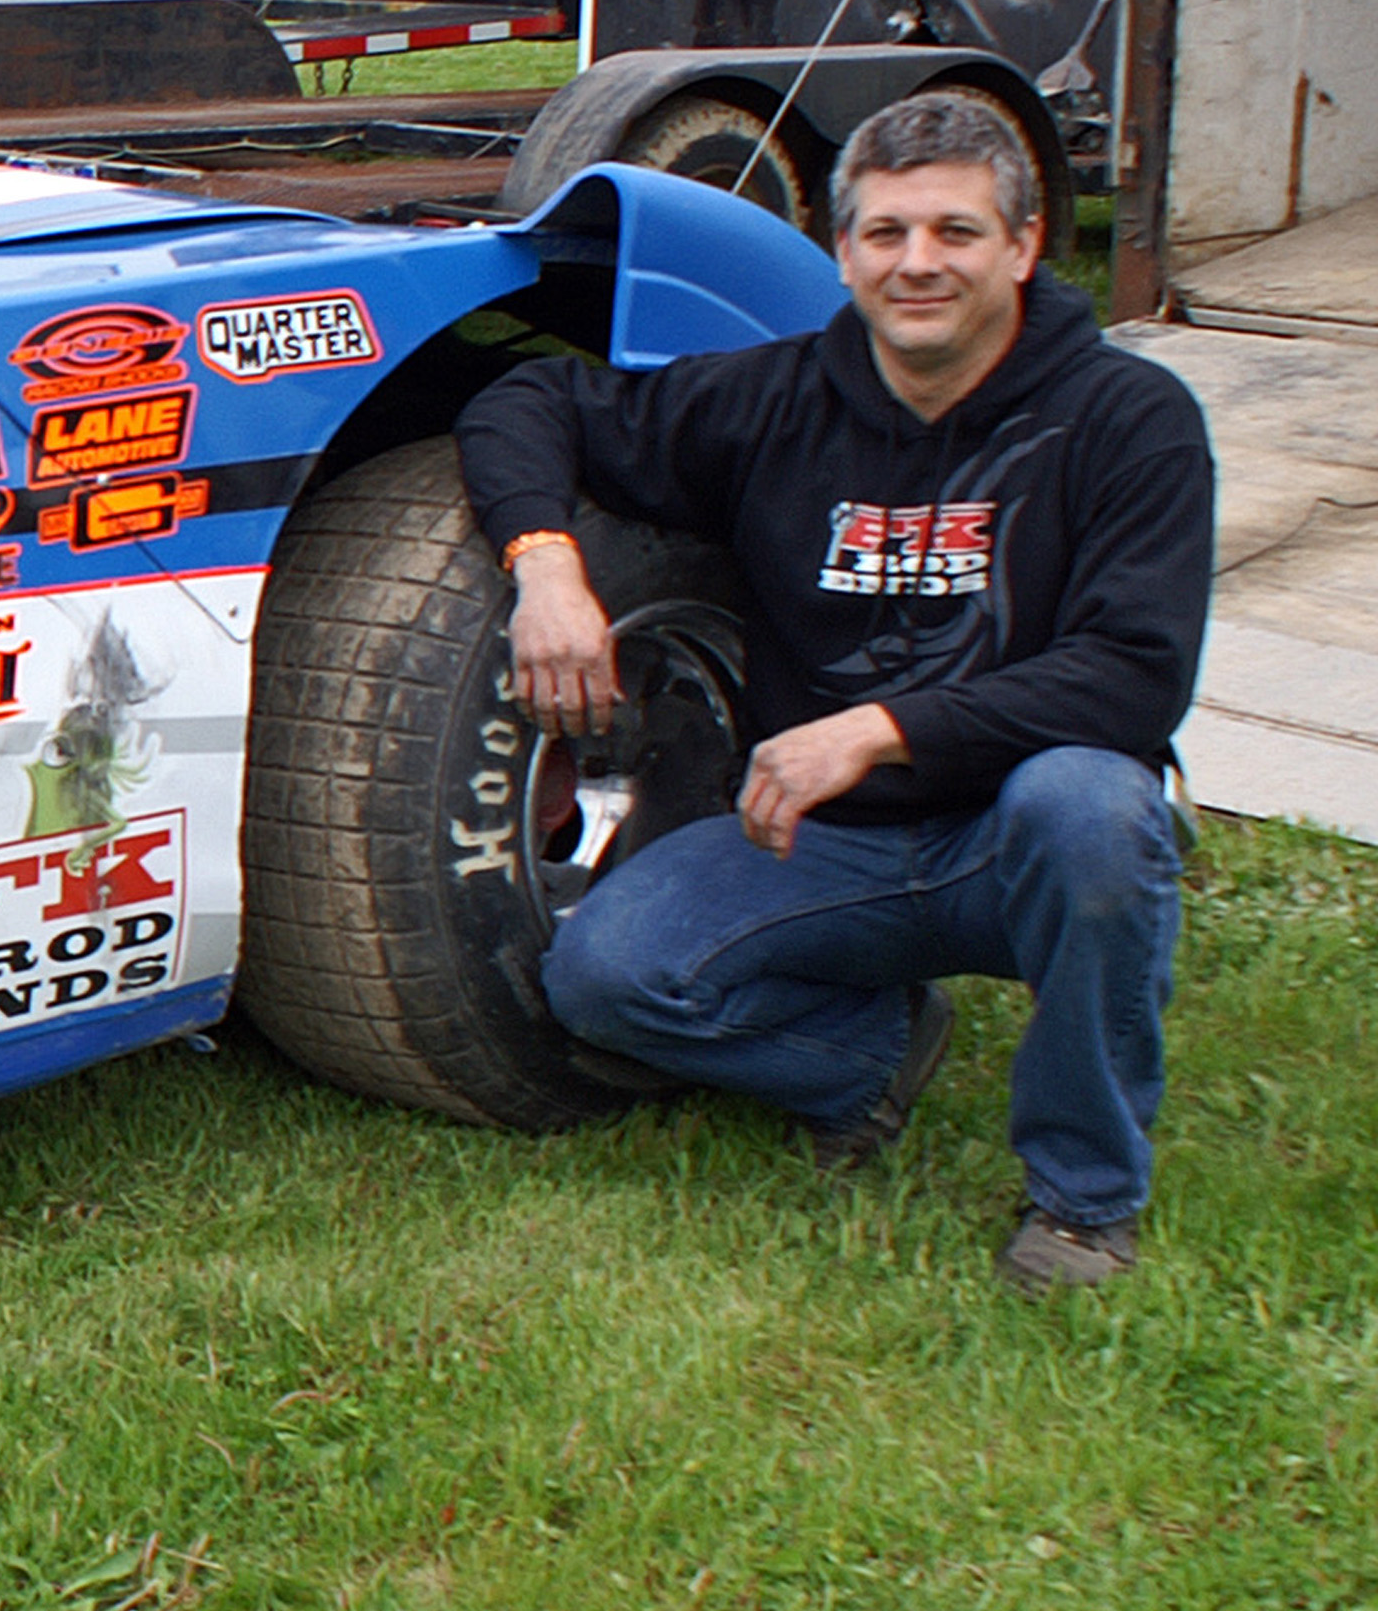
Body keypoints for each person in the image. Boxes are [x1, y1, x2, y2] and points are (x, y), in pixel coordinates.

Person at [453, 92, 1214, 1293]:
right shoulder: (773, 400)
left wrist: (878, 728)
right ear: (842, 250)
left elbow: (1133, 674)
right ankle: (866, 1057)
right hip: (820, 843)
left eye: (955, 231)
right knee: (604, 977)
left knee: (1092, 811)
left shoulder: (1128, 419)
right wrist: (543, 565)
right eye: (884, 232)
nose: (917, 263)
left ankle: (1081, 1200)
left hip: (1011, 837)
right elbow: (527, 400)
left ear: (1022, 246)